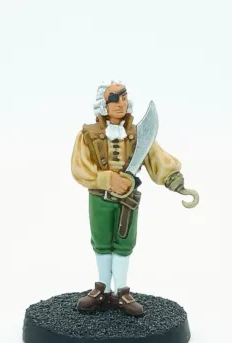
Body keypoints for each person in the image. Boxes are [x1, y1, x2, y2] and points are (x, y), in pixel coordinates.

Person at [71, 81, 190, 316]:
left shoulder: (138, 135)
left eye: (124, 98)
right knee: (101, 242)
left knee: (124, 244)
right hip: (100, 198)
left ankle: (122, 291)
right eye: (114, 99)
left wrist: (174, 180)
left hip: (127, 201)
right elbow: (79, 168)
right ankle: (102, 289)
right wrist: (106, 179)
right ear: (103, 105)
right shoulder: (87, 135)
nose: (120, 104)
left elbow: (156, 158)